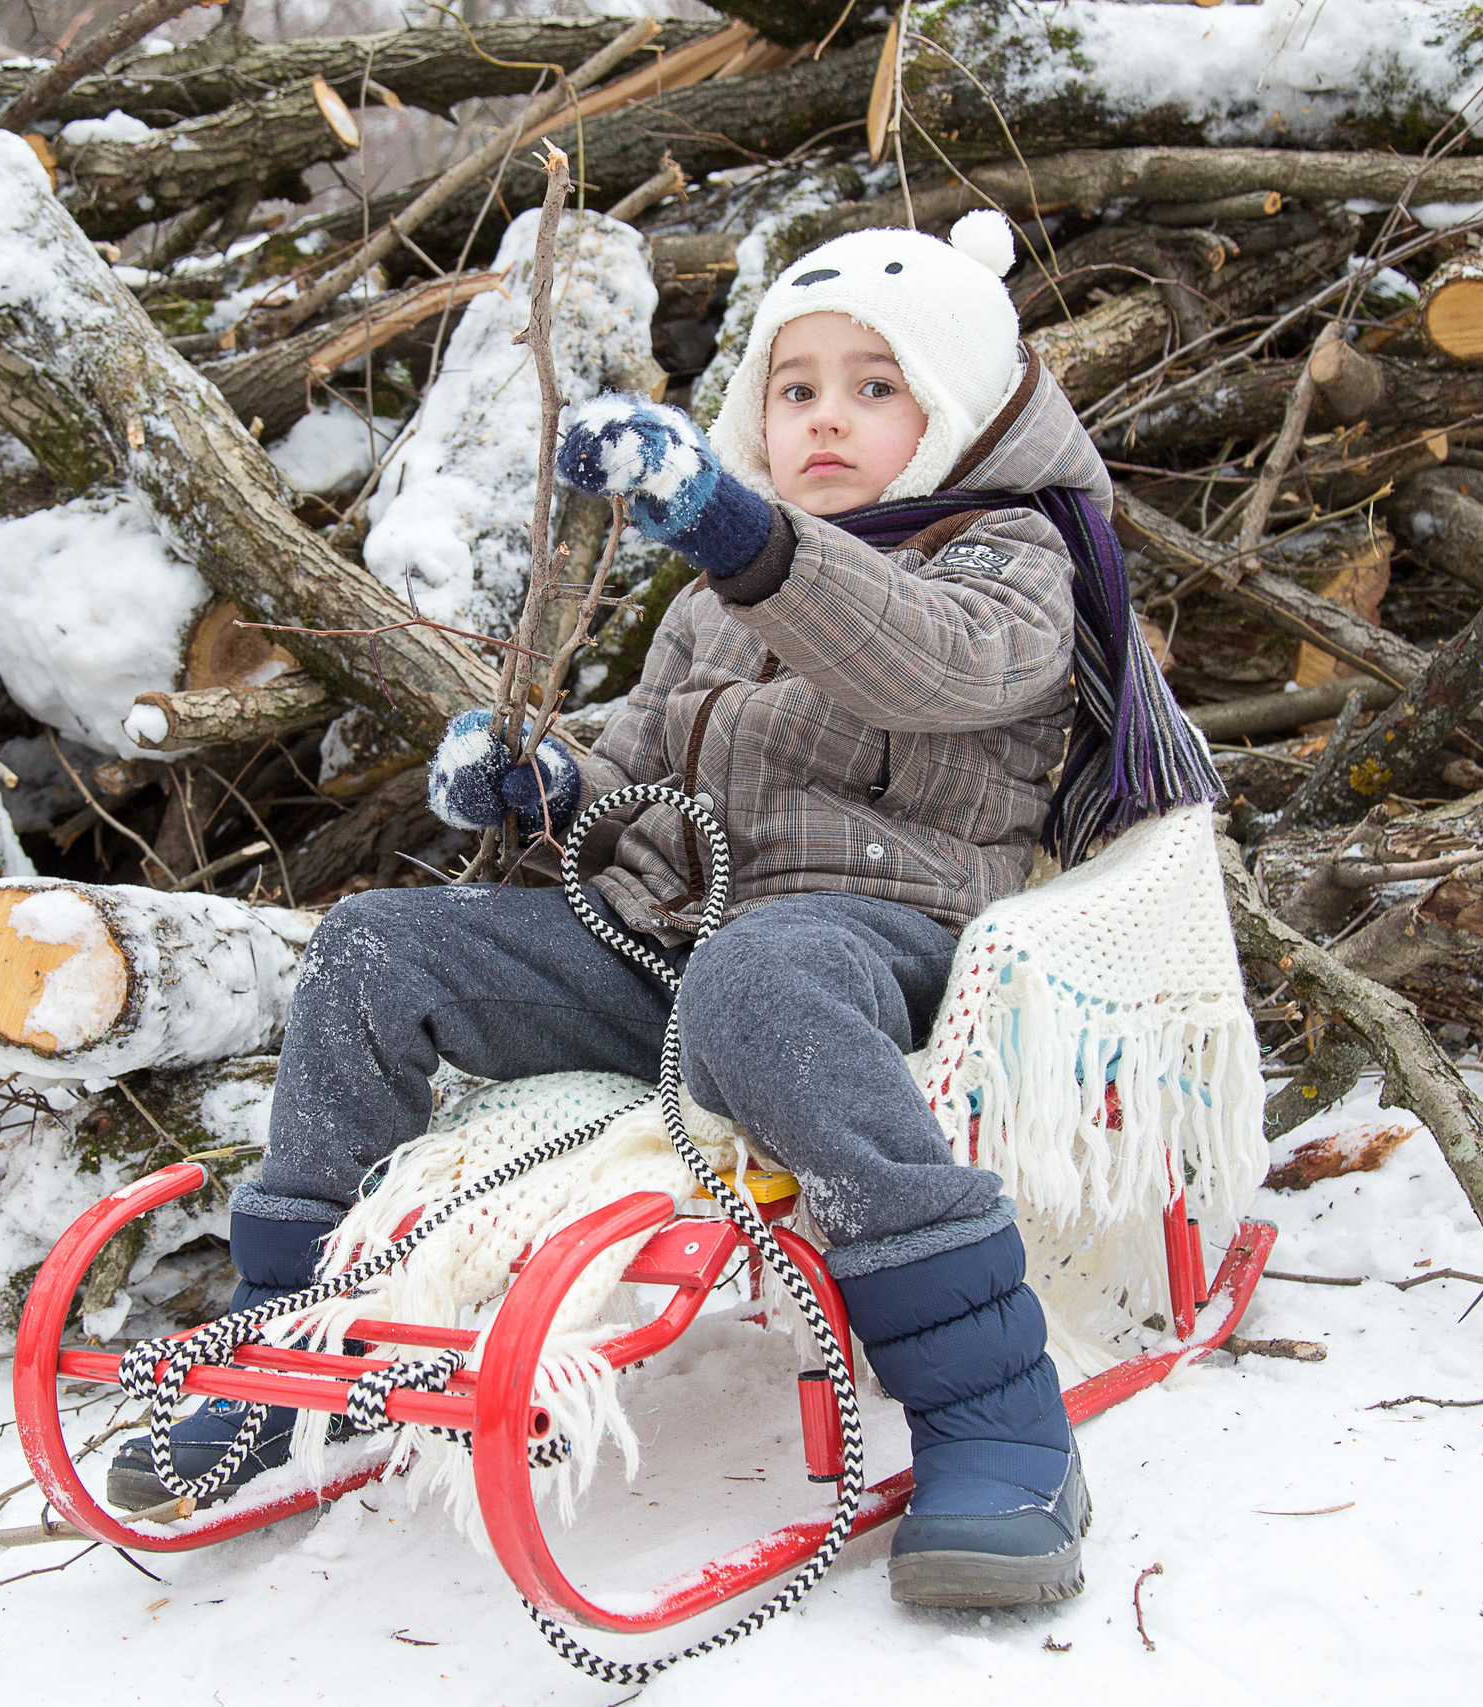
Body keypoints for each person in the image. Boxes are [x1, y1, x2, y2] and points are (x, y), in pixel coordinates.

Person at [107, 213, 1219, 1609]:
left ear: (968, 407)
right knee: (371, 945)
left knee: (762, 976)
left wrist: (742, 531)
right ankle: (286, 1336)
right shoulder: (718, 600)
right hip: (670, 951)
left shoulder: (1006, 561)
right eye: (795, 386)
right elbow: (646, 758)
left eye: (878, 387)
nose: (826, 418)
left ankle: (999, 1417)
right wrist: (547, 777)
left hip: (870, 951)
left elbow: (928, 664)